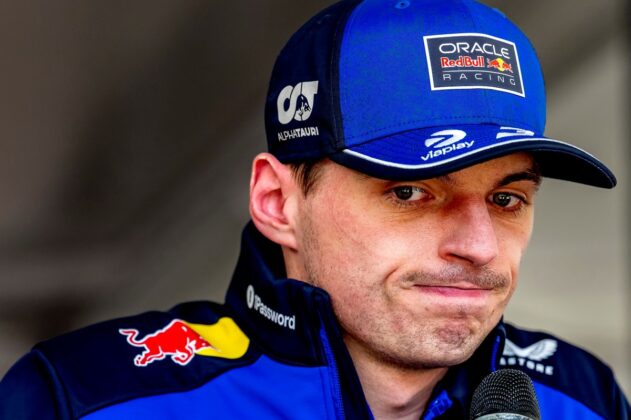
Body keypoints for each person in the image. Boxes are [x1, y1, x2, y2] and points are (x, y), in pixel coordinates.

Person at [1, 0, 629, 418]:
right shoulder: (87, 397)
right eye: (410, 192)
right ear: (277, 202)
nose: (480, 246)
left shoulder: (582, 400)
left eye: (507, 199)